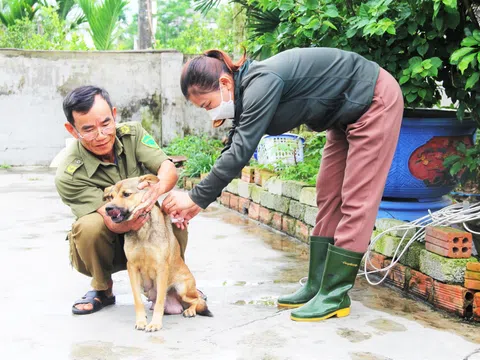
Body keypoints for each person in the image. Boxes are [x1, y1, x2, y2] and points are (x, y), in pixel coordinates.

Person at [163, 47, 404, 322]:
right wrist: (198, 201)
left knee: (356, 199)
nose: (210, 113)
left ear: (225, 83)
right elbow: (233, 145)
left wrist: (195, 197)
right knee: (328, 194)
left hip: (373, 100)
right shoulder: (245, 93)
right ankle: (317, 285)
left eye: (207, 104)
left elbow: (241, 152)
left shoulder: (262, 82)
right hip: (342, 116)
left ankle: (335, 294)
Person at [55, 85, 195, 315]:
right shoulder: (69, 174)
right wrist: (139, 213)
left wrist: (156, 193)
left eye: (106, 124)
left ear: (114, 114)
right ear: (72, 130)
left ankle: (169, 282)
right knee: (89, 227)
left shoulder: (133, 133)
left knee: (172, 212)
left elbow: (167, 168)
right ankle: (103, 288)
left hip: (148, 236)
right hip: (108, 239)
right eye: (88, 129)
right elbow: (112, 222)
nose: (101, 135)